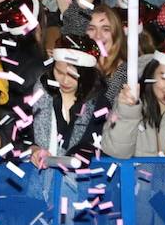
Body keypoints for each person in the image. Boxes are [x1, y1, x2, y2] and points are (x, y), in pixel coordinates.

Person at [29, 34, 108, 167]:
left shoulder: (99, 104)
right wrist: (33, 149)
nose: (65, 81)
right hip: (38, 182)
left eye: (73, 76)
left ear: (85, 75)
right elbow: (21, 138)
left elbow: (102, 148)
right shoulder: (39, 95)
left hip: (82, 182)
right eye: (59, 72)